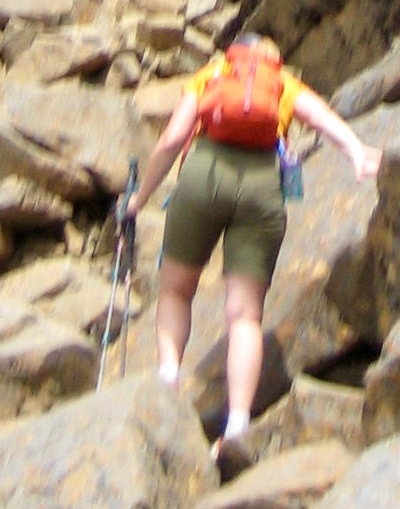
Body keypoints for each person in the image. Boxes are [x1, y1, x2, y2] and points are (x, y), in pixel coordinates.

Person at [123, 31, 379, 463]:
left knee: (175, 289)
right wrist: (355, 151)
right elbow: (319, 118)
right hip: (262, 185)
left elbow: (171, 139)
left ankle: (168, 378)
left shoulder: (214, 74)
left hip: (203, 173)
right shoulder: (281, 83)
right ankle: (237, 425)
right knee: (244, 314)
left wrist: (138, 199)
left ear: (235, 52)